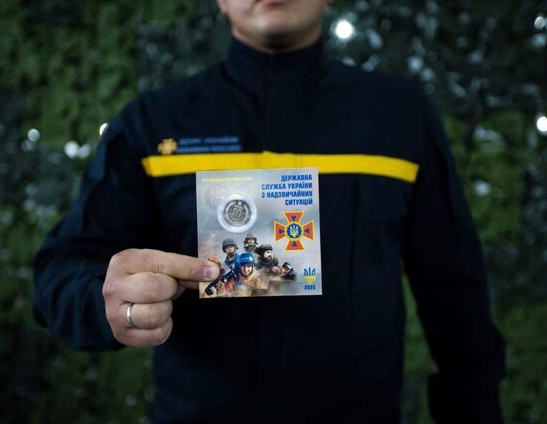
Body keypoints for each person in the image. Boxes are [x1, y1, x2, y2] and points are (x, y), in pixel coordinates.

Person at [33, 0, 505, 422]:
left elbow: (456, 296)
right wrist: (105, 301)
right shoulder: (152, 124)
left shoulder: (398, 117)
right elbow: (60, 274)